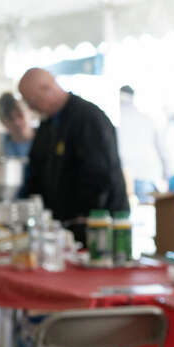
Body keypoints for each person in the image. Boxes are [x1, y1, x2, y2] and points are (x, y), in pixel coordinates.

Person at [18, 68, 128, 245]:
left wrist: (80, 216)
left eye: (31, 101)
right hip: (61, 229)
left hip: (97, 226)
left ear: (48, 88)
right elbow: (36, 170)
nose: (31, 108)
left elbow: (99, 175)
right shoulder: (47, 126)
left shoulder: (88, 118)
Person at [117, 85, 170, 201]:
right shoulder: (147, 120)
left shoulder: (117, 123)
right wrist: (167, 176)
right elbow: (163, 150)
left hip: (126, 178)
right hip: (146, 176)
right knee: (148, 215)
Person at [0, 92, 35, 158]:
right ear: (2, 121)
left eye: (20, 115)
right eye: (10, 119)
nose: (17, 122)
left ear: (29, 112)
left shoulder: (48, 138)